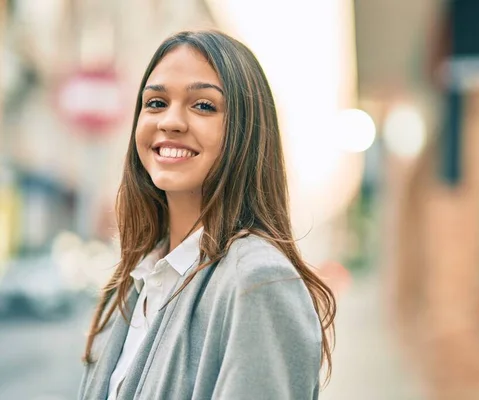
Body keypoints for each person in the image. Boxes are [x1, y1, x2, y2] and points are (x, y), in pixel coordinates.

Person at [78, 30, 336, 400]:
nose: (170, 121)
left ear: (245, 132)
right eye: (155, 103)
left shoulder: (258, 280)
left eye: (203, 106)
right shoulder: (137, 280)